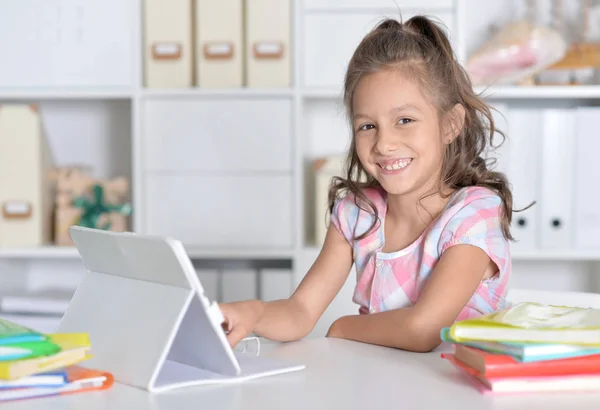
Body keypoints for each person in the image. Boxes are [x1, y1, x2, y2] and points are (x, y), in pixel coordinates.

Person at [219, 15, 513, 353]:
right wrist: (253, 312)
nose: (384, 144)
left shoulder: (474, 214)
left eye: (405, 120)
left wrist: (343, 327)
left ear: (450, 125)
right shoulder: (357, 214)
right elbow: (300, 312)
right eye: (367, 126)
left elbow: (423, 329)